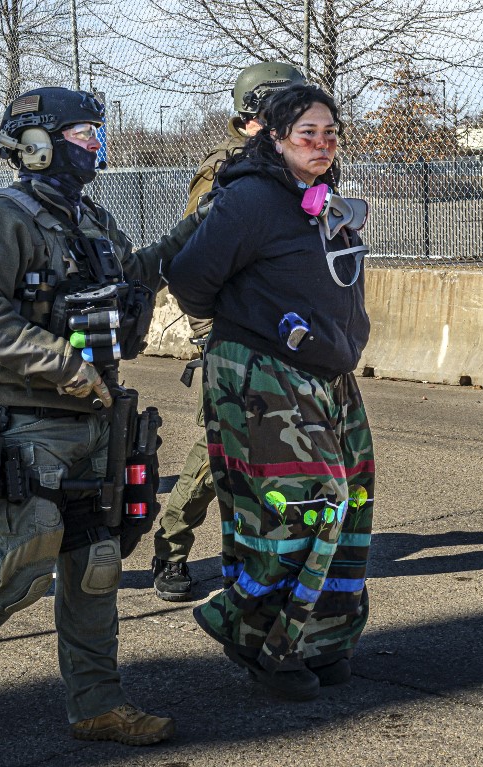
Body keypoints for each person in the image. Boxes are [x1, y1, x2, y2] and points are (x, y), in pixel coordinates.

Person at [0, 87, 200, 743]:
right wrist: (65, 364)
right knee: (20, 567)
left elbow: (131, 277)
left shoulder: (89, 218)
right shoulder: (0, 219)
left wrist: (196, 226)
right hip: (23, 420)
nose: (97, 143)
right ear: (38, 143)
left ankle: (96, 702)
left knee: (96, 563)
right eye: (85, 132)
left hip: (95, 418)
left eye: (96, 131)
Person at [166, 84, 374, 702]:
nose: (322, 143)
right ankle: (255, 633)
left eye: (330, 132)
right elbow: (188, 278)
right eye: (308, 132)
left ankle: (323, 637)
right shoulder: (251, 198)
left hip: (325, 372)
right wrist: (247, 324)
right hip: (261, 371)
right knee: (304, 503)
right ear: (275, 137)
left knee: (353, 495)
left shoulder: (317, 200)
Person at [152, 60, 306, 602]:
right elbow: (194, 260)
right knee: (218, 451)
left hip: (286, 339)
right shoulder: (226, 171)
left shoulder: (297, 169)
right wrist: (209, 336)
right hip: (234, 338)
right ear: (250, 118)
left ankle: (254, 558)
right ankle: (171, 548)